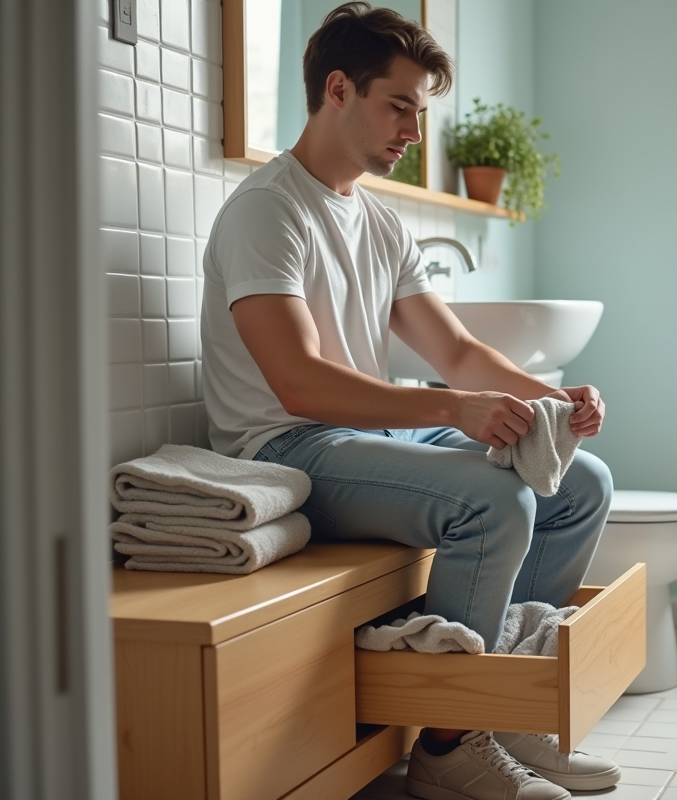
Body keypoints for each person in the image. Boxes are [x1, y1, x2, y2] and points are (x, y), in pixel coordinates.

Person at [199, 4, 618, 800]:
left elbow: (456, 350)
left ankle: (503, 696)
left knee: (583, 481)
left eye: (418, 113)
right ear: (336, 90)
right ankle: (451, 743)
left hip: (366, 440)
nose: (413, 133)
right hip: (288, 448)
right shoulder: (267, 211)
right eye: (399, 106)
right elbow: (299, 382)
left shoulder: (380, 222)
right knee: (496, 501)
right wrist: (454, 409)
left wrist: (552, 396)